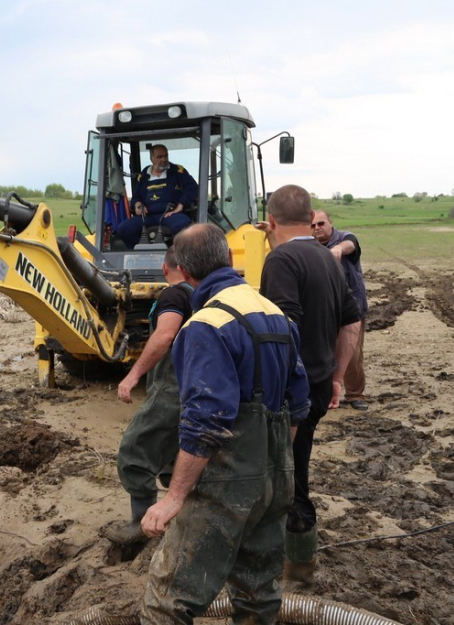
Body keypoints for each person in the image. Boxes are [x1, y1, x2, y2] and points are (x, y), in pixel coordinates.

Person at [140, 223, 310, 623]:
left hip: (226, 486)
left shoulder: (205, 325)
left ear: (182, 271)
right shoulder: (279, 317)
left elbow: (205, 420)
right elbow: (298, 405)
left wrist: (174, 497)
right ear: (230, 258)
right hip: (276, 478)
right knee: (258, 596)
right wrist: (272, 463)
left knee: (167, 601)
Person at [256, 186, 361, 591]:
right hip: (320, 383)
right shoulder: (327, 256)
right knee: (295, 467)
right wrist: (336, 376)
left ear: (274, 219)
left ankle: (289, 569)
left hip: (291, 392)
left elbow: (285, 329)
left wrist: (283, 394)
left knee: (282, 475)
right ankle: (299, 564)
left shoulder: (280, 259)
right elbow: (351, 321)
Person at [107, 247, 192, 546]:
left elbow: (165, 334)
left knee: (135, 450)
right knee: (176, 454)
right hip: (197, 386)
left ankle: (141, 526)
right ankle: (180, 518)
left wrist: (133, 375)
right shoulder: (208, 293)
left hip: (173, 386)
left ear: (166, 268)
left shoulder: (174, 296)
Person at [312, 210, 369, 411]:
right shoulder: (311, 247)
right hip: (324, 309)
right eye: (313, 225)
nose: (317, 228)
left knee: (351, 354)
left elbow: (351, 244)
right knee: (324, 353)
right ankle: (326, 395)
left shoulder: (344, 238)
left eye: (321, 223)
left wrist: (337, 249)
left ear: (330, 223)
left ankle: (355, 394)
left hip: (351, 308)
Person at [114, 144, 198, 249]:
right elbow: (136, 196)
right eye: (159, 157)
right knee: (124, 229)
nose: (164, 159)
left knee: (184, 227)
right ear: (152, 159)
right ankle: (141, 254)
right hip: (148, 216)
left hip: (170, 215)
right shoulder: (143, 176)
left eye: (165, 156)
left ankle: (176, 255)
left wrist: (180, 206)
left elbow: (193, 188)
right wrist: (137, 204)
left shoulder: (178, 171)